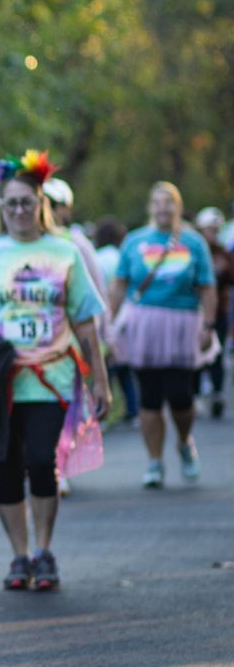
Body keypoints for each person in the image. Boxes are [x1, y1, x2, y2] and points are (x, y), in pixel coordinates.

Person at [0, 150, 110, 591]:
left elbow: (87, 320)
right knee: (6, 464)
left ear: (42, 205)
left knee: (40, 460)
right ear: (1, 206)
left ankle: (44, 549)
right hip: (0, 383)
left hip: (52, 376)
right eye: (11, 203)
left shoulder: (64, 252)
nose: (19, 210)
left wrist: (100, 380)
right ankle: (19, 556)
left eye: (27, 202)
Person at [110, 181, 217, 487]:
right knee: (150, 397)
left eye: (168, 202)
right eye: (157, 202)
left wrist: (208, 326)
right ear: (150, 207)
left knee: (181, 395)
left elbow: (207, 288)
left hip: (182, 324)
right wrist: (108, 324)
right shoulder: (135, 241)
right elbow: (119, 286)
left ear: (177, 206)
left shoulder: (194, 242)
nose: (163, 208)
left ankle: (184, 441)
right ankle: (154, 461)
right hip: (145, 325)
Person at [42, 177, 108, 496]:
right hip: (33, 345)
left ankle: (59, 466)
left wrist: (103, 336)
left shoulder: (75, 243)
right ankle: (43, 464)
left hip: (67, 343)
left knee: (65, 406)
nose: (51, 211)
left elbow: (95, 293)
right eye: (46, 204)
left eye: (56, 206)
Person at [93, 216, 139, 423]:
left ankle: (104, 411)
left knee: (108, 367)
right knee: (126, 370)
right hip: (127, 316)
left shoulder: (98, 258)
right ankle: (133, 409)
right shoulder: (122, 255)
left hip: (108, 317)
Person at [192, 206, 232, 418]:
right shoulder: (194, 250)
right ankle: (196, 394)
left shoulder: (223, 253)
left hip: (219, 311)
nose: (212, 233)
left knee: (217, 354)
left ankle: (216, 393)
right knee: (197, 354)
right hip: (196, 312)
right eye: (210, 229)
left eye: (216, 229)